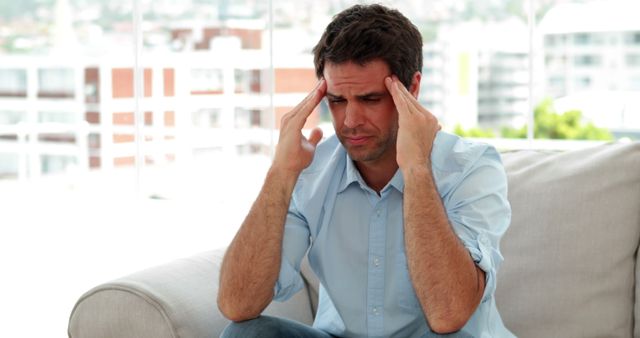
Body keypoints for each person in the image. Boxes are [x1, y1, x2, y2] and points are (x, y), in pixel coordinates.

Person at [217, 4, 514, 338]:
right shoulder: (311, 171)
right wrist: (280, 175)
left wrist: (416, 169)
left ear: (412, 89)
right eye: (337, 100)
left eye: (370, 99)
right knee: (245, 334)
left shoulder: (471, 169)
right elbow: (236, 304)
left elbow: (449, 314)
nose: (350, 121)